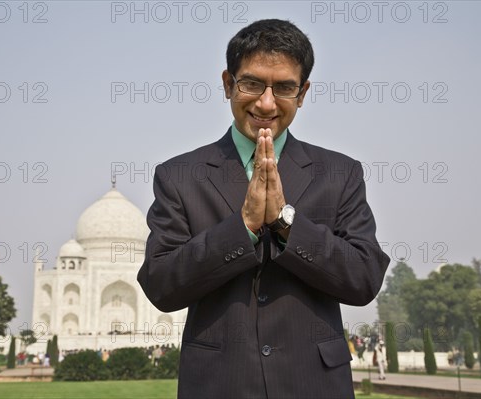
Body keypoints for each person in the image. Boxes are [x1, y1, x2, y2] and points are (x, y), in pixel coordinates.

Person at [137, 19, 390, 398]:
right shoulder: (180, 176)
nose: (266, 102)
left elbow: (364, 279)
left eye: (284, 87)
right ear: (228, 83)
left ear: (302, 93)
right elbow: (161, 285)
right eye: (251, 83)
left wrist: (286, 222)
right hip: (221, 383)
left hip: (314, 383)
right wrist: (242, 227)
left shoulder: (339, 174)